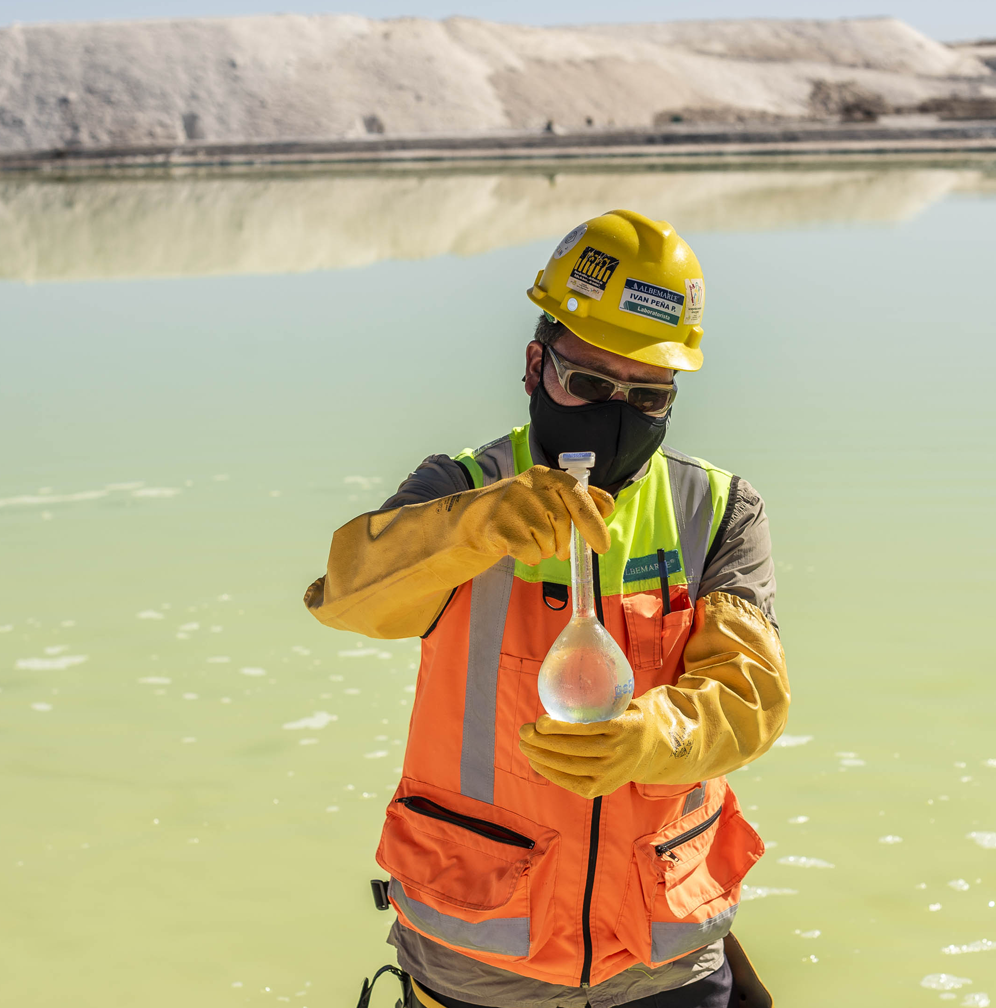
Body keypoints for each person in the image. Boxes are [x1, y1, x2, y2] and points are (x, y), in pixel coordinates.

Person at [305, 210, 790, 1008]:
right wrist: (470, 527)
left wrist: (651, 735)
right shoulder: (457, 489)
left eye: (648, 393)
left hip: (664, 954)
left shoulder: (720, 509)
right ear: (535, 365)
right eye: (590, 384)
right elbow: (350, 599)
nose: (616, 409)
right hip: (479, 949)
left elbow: (751, 695)